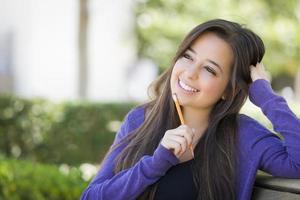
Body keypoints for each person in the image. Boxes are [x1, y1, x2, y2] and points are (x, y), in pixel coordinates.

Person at [80, 19, 300, 200]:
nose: (190, 73)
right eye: (187, 56)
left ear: (229, 90)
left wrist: (266, 97)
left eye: (209, 69)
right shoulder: (140, 120)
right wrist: (157, 163)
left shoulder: (244, 135)